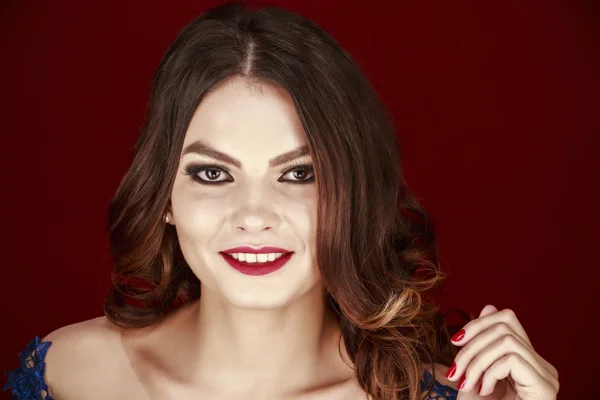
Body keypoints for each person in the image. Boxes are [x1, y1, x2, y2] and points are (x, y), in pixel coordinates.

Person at [3, 2, 559, 400]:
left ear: (355, 192)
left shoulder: (452, 398)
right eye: (213, 172)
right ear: (164, 196)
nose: (252, 215)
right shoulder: (70, 374)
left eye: (298, 172)